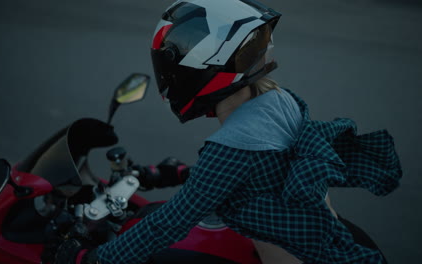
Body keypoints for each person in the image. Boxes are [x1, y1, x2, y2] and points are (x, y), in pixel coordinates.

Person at [54, 0, 402, 263]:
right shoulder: (280, 99)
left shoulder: (231, 148)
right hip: (324, 237)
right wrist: (175, 173)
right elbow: (262, 172)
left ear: (194, 70)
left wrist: (92, 259)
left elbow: (168, 224)